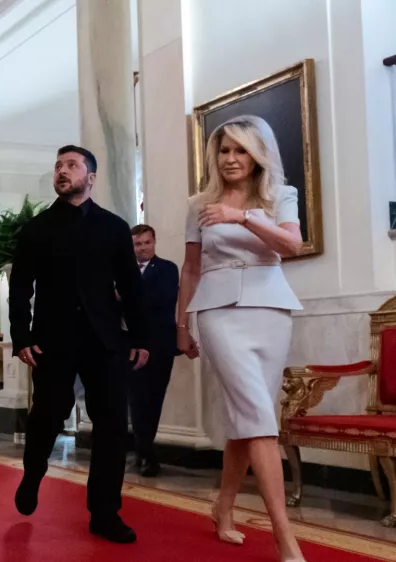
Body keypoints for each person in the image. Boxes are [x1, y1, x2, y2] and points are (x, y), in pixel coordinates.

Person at [177, 115, 305, 562]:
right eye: (224, 150)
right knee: (257, 418)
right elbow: (190, 268)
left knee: (249, 420)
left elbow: (292, 246)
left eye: (240, 150)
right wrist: (182, 325)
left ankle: (224, 507)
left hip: (271, 309)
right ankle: (284, 538)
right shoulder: (198, 204)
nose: (230, 158)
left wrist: (242, 216)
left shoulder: (280, 196)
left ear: (257, 155)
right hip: (217, 312)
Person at [9, 145, 149, 544]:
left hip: (105, 340)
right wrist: (22, 337)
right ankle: (33, 475)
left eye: (71, 165)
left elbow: (131, 287)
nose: (62, 171)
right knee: (47, 417)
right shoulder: (37, 229)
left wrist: (139, 337)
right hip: (53, 340)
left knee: (110, 427)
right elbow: (20, 288)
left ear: (90, 177)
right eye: (58, 165)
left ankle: (105, 513)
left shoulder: (113, 227)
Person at [128, 224, 179, 477]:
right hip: (131, 346)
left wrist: (127, 296)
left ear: (154, 242)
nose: (142, 248)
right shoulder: (124, 272)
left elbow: (163, 299)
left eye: (146, 243)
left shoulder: (168, 269)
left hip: (160, 345)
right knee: (137, 400)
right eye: (137, 244)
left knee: (154, 399)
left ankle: (144, 451)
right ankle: (144, 453)